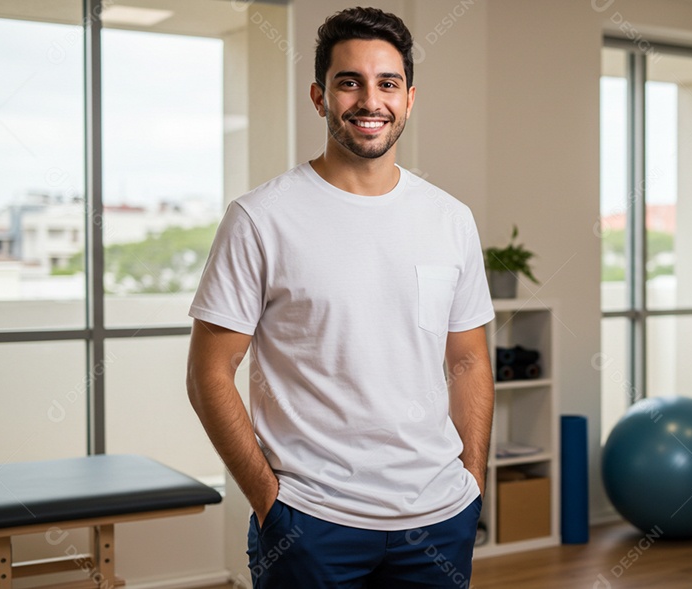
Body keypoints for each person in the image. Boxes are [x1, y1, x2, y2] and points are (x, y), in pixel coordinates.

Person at [186, 7, 495, 588]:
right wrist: (270, 502)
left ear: (409, 98)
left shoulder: (451, 220)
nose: (369, 99)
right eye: (349, 81)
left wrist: (472, 482)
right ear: (319, 96)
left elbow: (468, 359)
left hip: (438, 519)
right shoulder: (260, 219)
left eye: (388, 83)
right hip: (310, 524)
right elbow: (209, 373)